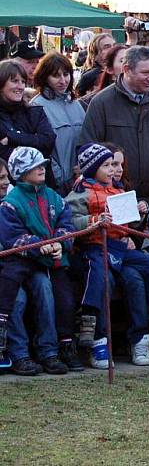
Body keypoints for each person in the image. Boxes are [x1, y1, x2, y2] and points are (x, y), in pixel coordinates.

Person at [65, 143, 149, 368]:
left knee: (148, 264)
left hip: (121, 247)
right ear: (92, 169)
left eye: (114, 164)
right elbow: (69, 221)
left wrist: (139, 213)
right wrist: (94, 221)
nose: (113, 170)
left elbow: (128, 224)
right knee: (101, 277)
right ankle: (93, 329)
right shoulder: (82, 192)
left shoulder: (119, 190)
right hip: (95, 246)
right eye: (107, 165)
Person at [79, 45, 149, 200]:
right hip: (116, 196)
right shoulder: (102, 103)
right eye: (145, 73)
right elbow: (88, 145)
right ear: (127, 69)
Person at [0, 147, 76, 371]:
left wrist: (60, 243)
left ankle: (49, 351)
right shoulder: (11, 203)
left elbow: (66, 223)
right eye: (36, 166)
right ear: (22, 172)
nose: (42, 168)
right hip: (16, 266)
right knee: (18, 298)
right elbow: (13, 237)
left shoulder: (53, 197)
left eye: (43, 164)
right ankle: (19, 353)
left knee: (47, 289)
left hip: (44, 265)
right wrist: (38, 245)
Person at [29, 51, 85, 193]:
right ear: (45, 77)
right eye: (56, 75)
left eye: (66, 74)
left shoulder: (75, 104)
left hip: (80, 179)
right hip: (55, 184)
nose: (62, 80)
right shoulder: (37, 106)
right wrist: (58, 176)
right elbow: (41, 148)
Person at [0, 60, 56, 176]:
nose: (20, 86)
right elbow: (4, 154)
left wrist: (12, 138)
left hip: (42, 186)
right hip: (8, 187)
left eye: (23, 82)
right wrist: (34, 141)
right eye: (15, 81)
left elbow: (48, 142)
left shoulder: (35, 112)